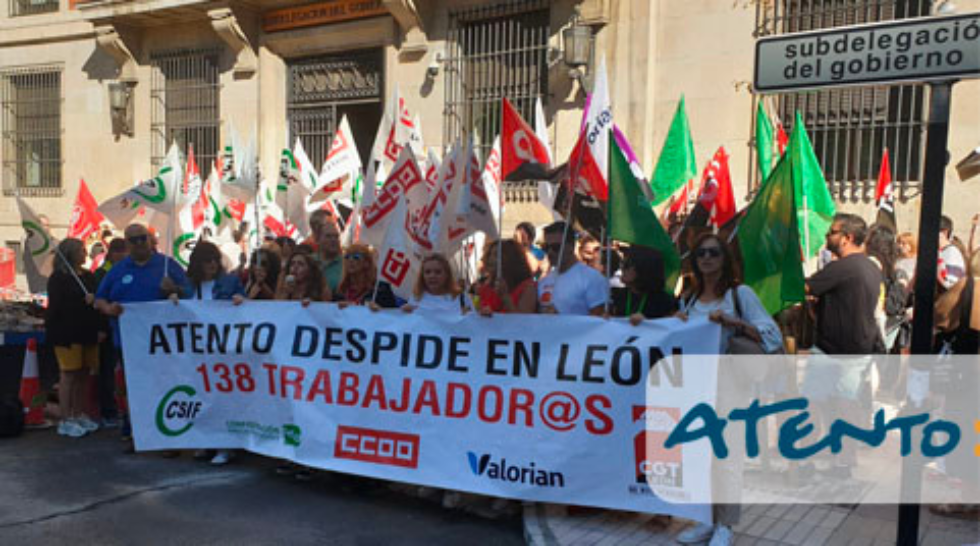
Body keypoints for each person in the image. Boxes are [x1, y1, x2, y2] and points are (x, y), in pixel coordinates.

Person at [675, 234, 781, 546]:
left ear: (725, 259)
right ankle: (704, 519)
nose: (707, 258)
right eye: (701, 253)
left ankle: (726, 525)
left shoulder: (740, 294)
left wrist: (733, 322)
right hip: (696, 383)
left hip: (729, 381)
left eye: (714, 253)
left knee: (727, 455)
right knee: (699, 454)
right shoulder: (690, 298)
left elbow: (770, 333)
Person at [94, 223, 189, 453]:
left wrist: (174, 289)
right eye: (133, 240)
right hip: (128, 342)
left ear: (150, 239)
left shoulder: (167, 265)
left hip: (162, 343)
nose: (138, 243)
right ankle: (139, 434)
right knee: (135, 389)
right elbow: (99, 300)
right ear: (126, 243)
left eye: (142, 238)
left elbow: (191, 292)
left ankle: (167, 437)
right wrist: (109, 309)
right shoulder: (117, 270)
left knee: (163, 387)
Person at [801, 213, 881, 478]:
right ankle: (844, 463)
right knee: (844, 406)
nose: (827, 238)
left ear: (847, 238)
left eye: (831, 232)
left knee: (814, 404)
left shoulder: (844, 266)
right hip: (856, 349)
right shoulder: (870, 267)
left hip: (834, 351)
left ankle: (806, 459)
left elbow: (806, 286)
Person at [178, 241, 244, 465]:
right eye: (207, 260)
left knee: (222, 397)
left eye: (215, 259)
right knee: (201, 396)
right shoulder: (188, 287)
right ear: (197, 263)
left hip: (223, 350)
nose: (213, 264)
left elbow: (247, 307)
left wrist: (241, 301)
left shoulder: (230, 282)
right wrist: (172, 302)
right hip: (197, 352)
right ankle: (206, 441)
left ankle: (226, 446)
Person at [47, 239, 103, 438]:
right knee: (69, 375)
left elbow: (98, 300)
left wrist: (94, 303)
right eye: (81, 250)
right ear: (70, 253)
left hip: (87, 332)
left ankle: (79, 413)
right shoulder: (58, 278)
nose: (85, 253)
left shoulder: (88, 276)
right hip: (66, 333)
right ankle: (65, 418)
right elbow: (57, 307)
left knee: (83, 375)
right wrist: (82, 301)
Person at [537, 222, 608, 316]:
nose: (550, 252)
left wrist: (561, 319)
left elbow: (597, 323)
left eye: (556, 247)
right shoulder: (544, 281)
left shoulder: (592, 278)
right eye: (546, 247)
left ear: (571, 246)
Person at [93, 237, 128, 427]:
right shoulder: (102, 273)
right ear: (112, 253)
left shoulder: (128, 269)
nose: (124, 255)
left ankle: (123, 409)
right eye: (120, 251)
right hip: (107, 329)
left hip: (128, 329)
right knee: (106, 371)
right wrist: (100, 328)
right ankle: (108, 411)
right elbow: (98, 301)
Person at [610, 246, 676, 323]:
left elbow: (668, 327)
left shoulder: (663, 301)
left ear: (643, 268)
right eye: (622, 263)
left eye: (626, 265)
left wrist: (647, 323)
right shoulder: (616, 295)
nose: (621, 267)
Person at [477, 240, 537, 314]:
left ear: (511, 258)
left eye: (496, 255)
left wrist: (505, 297)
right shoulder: (486, 287)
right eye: (490, 255)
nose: (490, 259)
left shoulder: (527, 287)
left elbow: (523, 321)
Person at [402, 253, 473, 313]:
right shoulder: (416, 297)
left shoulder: (461, 298)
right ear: (422, 275)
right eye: (427, 272)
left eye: (438, 272)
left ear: (447, 275)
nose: (432, 276)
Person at [334, 244, 397, 308]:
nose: (350, 260)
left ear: (366, 263)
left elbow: (393, 314)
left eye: (356, 257)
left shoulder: (380, 289)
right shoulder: (341, 290)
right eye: (347, 257)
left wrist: (380, 310)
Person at [315, 220, 343, 293]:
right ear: (317, 239)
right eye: (328, 236)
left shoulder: (346, 263)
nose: (333, 240)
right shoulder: (308, 261)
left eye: (336, 236)